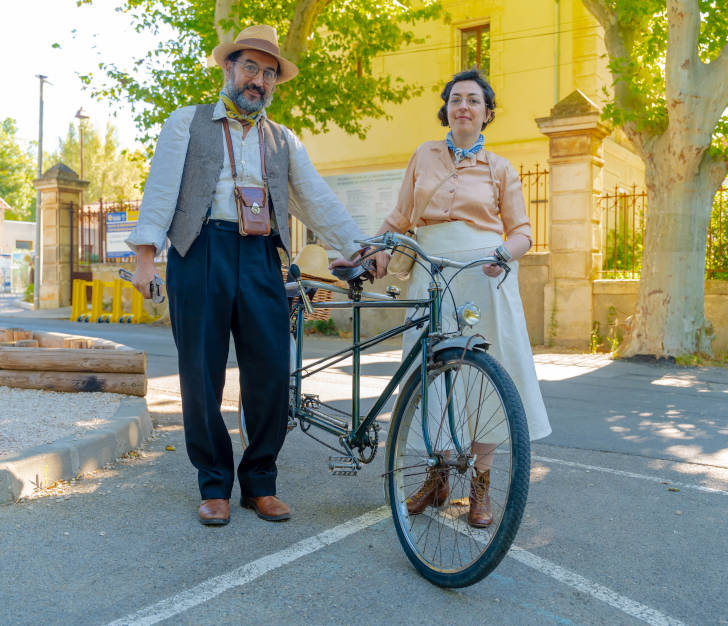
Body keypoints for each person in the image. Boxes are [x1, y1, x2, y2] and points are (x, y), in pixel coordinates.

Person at [126, 25, 369, 527]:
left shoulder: (282, 140)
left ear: (275, 83)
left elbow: (316, 200)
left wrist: (357, 248)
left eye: (269, 73)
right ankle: (213, 484)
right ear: (229, 67)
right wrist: (146, 258)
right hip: (199, 251)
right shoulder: (186, 123)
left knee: (271, 376)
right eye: (251, 67)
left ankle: (260, 482)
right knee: (200, 374)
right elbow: (161, 191)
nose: (258, 79)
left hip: (261, 256)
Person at [374, 68, 552, 528]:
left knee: (482, 380)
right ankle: (437, 479)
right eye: (456, 99)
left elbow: (523, 233)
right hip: (430, 276)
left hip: (483, 277)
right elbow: (398, 217)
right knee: (431, 378)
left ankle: (480, 486)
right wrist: (369, 248)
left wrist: (502, 254)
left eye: (474, 100)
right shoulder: (423, 156)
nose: (464, 107)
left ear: (487, 113)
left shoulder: (501, 169)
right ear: (446, 109)